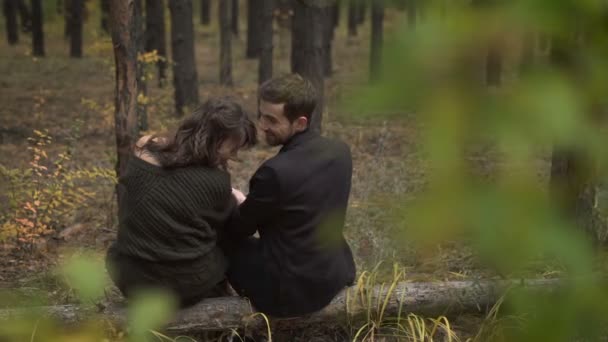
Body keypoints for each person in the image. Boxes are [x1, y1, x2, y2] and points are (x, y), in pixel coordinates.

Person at [226, 74, 356, 317]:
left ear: (300, 123)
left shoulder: (274, 172)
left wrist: (239, 202)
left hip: (290, 293)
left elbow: (240, 228)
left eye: (272, 120)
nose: (262, 125)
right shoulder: (340, 151)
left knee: (221, 241)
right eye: (261, 114)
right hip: (333, 273)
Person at [106, 98, 257, 307]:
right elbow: (231, 225)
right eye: (232, 148)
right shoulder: (216, 182)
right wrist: (238, 199)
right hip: (181, 289)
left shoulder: (144, 148)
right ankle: (236, 306)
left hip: (130, 280)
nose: (233, 156)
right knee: (227, 240)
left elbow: (173, 180)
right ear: (215, 140)